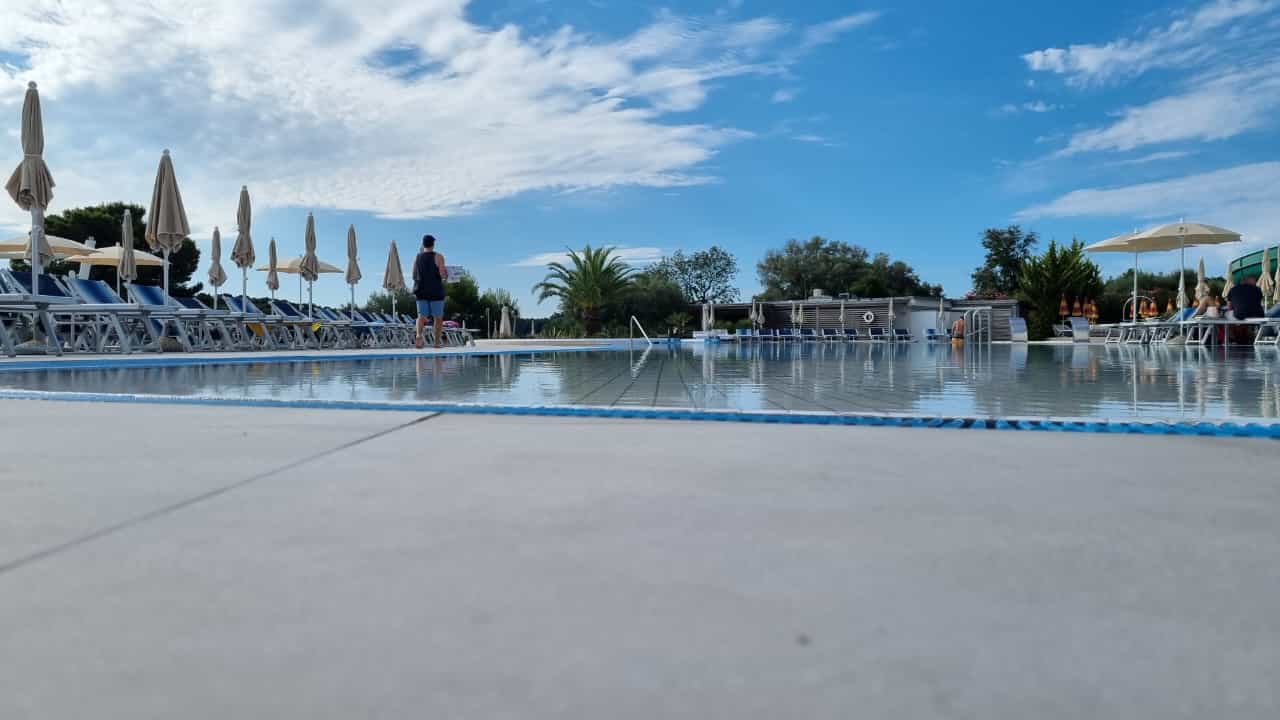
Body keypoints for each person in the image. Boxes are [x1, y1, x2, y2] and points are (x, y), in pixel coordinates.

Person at [412, 234, 449, 349]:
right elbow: (443, 275)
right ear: (433, 244)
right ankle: (436, 342)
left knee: (421, 316)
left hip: (421, 290)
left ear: (423, 244)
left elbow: (414, 275)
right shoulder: (438, 257)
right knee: (438, 318)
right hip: (435, 291)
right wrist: (446, 274)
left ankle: (418, 335)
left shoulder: (417, 257)